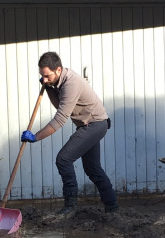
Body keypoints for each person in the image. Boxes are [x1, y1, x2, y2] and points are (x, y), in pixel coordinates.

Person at [21, 51, 118, 216]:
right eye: (42, 76)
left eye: (47, 76)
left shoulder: (71, 83)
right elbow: (60, 105)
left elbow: (60, 120)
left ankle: (70, 207)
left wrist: (36, 136)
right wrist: (50, 88)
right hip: (89, 125)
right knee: (92, 168)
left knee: (63, 159)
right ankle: (113, 208)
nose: (44, 79)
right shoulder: (58, 82)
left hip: (95, 125)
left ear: (58, 70)